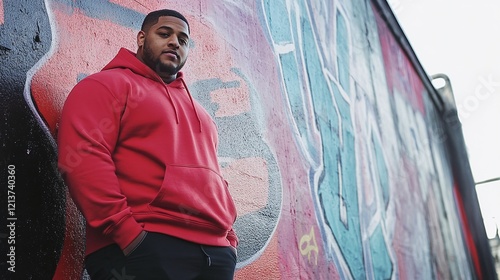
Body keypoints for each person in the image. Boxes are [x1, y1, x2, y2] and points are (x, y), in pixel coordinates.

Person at [57, 9, 238, 280]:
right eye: (164, 34)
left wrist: (229, 238)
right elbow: (84, 158)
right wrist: (128, 235)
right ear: (142, 38)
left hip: (215, 254)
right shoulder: (107, 86)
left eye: (183, 39)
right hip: (140, 247)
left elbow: (216, 179)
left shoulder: (203, 115)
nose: (175, 42)